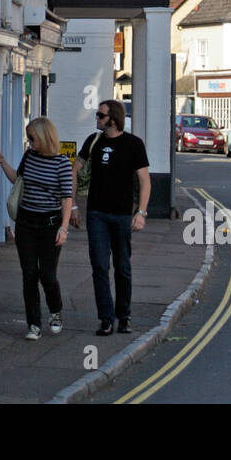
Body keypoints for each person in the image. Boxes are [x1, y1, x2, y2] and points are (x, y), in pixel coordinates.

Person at [70, 100, 149, 337]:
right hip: (97, 215)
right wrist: (73, 205)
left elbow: (145, 181)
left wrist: (141, 212)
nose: (97, 118)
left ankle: (124, 317)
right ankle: (106, 319)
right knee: (99, 267)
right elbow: (74, 170)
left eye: (100, 115)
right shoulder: (94, 141)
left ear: (112, 119)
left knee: (122, 267)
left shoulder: (133, 144)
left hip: (123, 215)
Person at [0, 117, 73, 341]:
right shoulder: (30, 157)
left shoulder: (62, 163)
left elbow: (67, 199)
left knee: (47, 275)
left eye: (32, 138)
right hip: (26, 222)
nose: (30, 143)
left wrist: (63, 229)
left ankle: (55, 312)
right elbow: (18, 180)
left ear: (45, 137)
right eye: (28, 138)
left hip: (50, 225)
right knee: (29, 274)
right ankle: (34, 324)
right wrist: (2, 162)